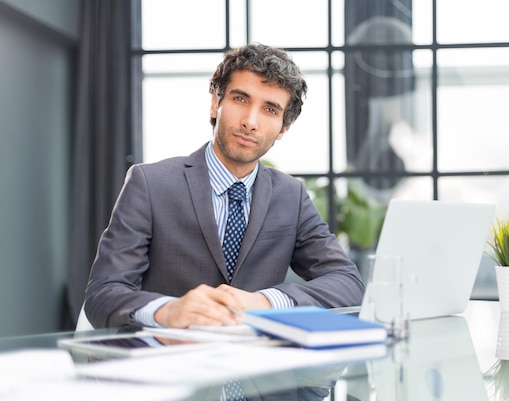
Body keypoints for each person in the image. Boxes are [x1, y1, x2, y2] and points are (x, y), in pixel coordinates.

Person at [84, 43, 364, 330]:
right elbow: (103, 294)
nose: (250, 122)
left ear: (282, 129)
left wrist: (266, 302)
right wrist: (166, 311)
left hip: (257, 366)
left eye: (269, 109)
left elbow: (347, 282)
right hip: (168, 361)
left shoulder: (291, 195)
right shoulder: (149, 184)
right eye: (240, 99)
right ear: (215, 103)